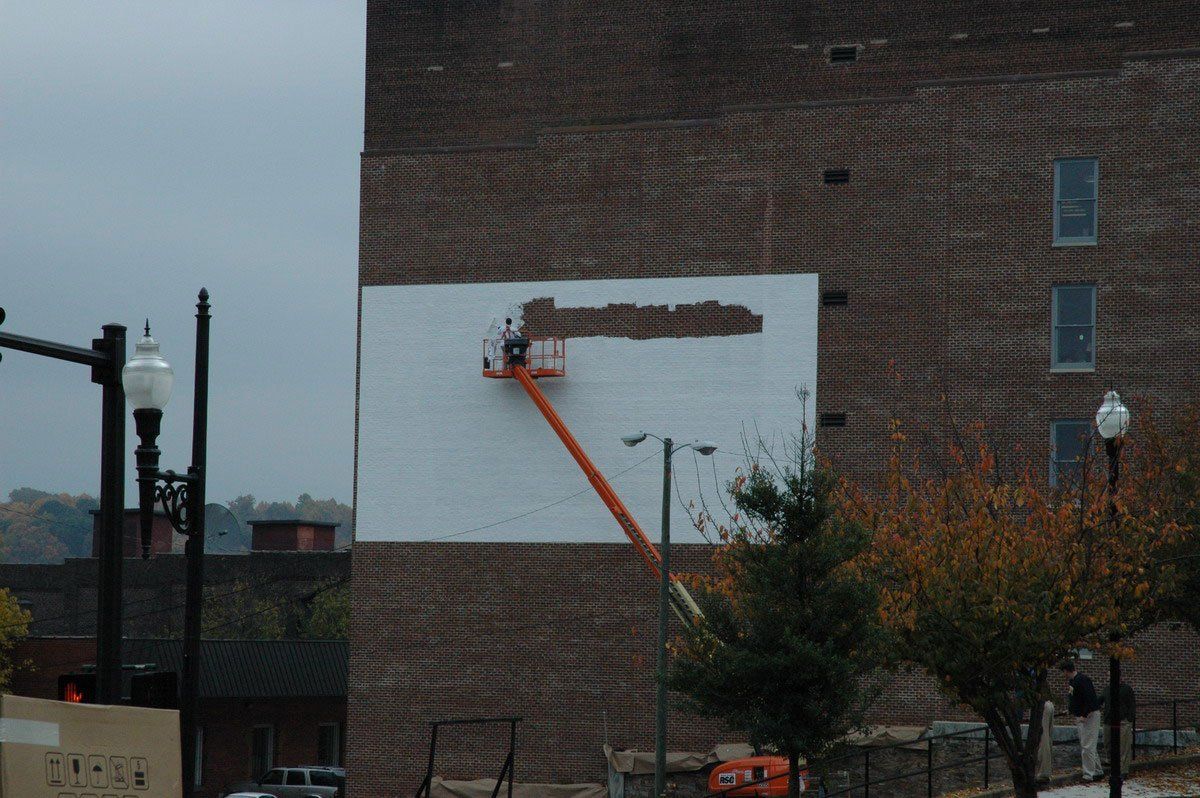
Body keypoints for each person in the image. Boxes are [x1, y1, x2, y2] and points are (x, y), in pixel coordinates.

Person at [1062, 660, 1104, 781]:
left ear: (1066, 670)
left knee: (1087, 746)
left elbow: (1090, 699)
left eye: (1063, 672)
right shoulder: (1074, 681)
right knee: (1088, 745)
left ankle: (1088, 774)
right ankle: (1096, 770)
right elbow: (1075, 698)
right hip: (1083, 715)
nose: (1063, 675)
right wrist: (1071, 710)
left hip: (1088, 716)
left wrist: (1084, 715)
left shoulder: (1082, 680)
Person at [1103, 681, 1136, 776]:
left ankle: (1123, 770)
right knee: (1107, 742)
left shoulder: (1126, 689)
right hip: (1109, 720)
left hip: (1123, 720)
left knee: (1124, 746)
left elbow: (1132, 704)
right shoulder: (1107, 689)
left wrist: (1129, 718)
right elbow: (1101, 700)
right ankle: (1110, 760)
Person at [1037, 699, 1055, 782]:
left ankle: (1044, 772)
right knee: (1047, 738)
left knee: (1044, 739)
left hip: (1041, 705)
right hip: (1048, 703)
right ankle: (1046, 770)